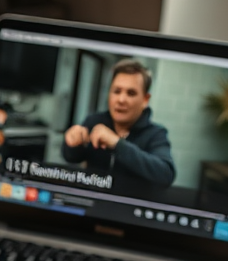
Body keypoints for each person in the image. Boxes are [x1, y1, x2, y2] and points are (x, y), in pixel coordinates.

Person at [62, 59, 176, 188]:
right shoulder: (94, 121)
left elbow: (166, 175)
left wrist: (117, 144)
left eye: (131, 93)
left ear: (145, 99)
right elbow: (71, 157)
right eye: (116, 91)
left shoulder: (156, 133)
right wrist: (72, 143)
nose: (121, 100)